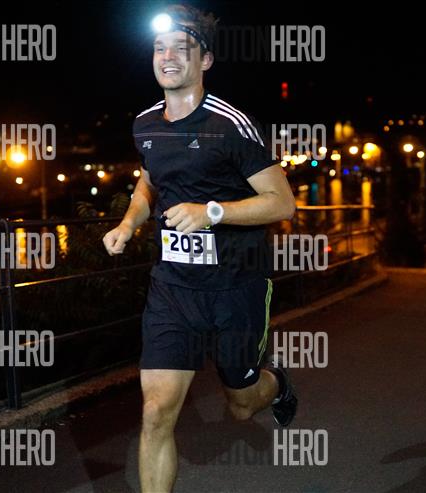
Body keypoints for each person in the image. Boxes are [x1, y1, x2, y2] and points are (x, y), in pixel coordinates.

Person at [102, 5, 297, 492]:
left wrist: (211, 211)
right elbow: (149, 183)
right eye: (159, 48)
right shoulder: (145, 125)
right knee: (155, 413)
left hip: (236, 286)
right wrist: (128, 222)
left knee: (241, 403)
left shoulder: (230, 125)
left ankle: (275, 385)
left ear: (205, 60)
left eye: (181, 49)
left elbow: (282, 202)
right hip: (173, 289)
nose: (167, 57)